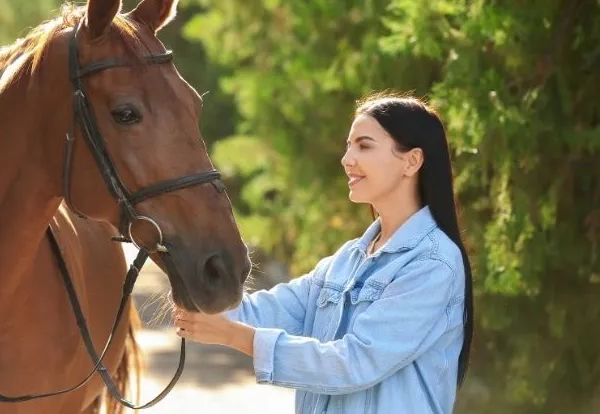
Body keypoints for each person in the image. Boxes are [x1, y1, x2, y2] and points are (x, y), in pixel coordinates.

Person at [173, 96, 474, 414]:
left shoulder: (433, 264)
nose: (347, 158)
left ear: (411, 161)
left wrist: (239, 337)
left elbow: (356, 362)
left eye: (364, 145)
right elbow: (270, 309)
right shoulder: (346, 261)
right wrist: (196, 286)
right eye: (348, 146)